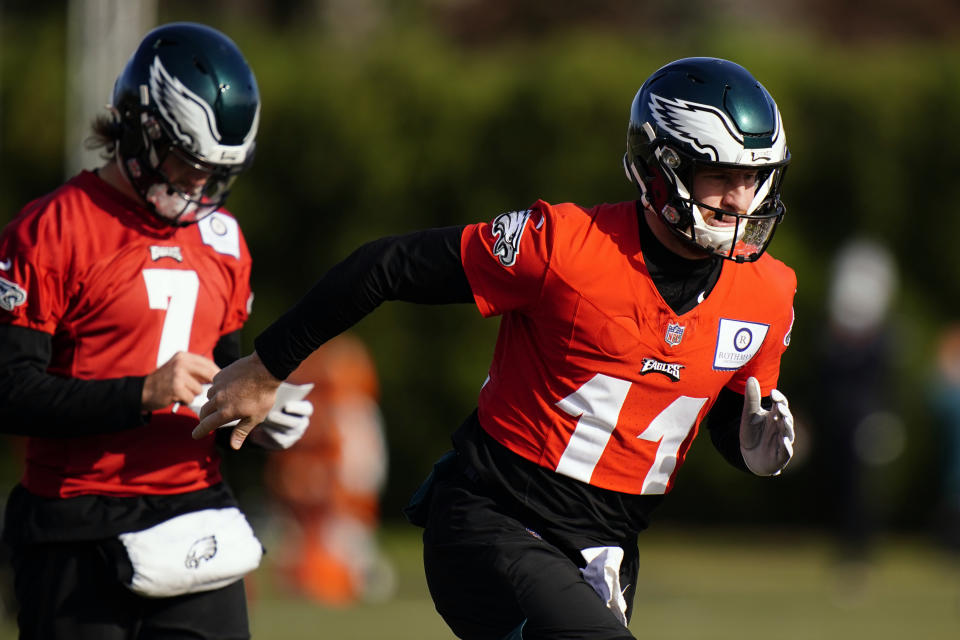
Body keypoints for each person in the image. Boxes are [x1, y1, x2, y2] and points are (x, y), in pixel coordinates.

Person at [196, 57, 797, 640]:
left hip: (604, 545)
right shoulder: (564, 247)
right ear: (661, 168)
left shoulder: (768, 293)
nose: (739, 201)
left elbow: (715, 404)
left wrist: (749, 450)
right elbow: (387, 266)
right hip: (496, 518)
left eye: (752, 179)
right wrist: (266, 365)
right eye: (719, 176)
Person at [0, 22, 312, 640]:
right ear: (141, 127)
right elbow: (9, 391)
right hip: (76, 522)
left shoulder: (223, 242)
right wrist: (140, 392)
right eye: (186, 161)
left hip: (192, 512)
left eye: (215, 171)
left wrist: (258, 413)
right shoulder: (53, 229)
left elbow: (223, 384)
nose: (199, 184)